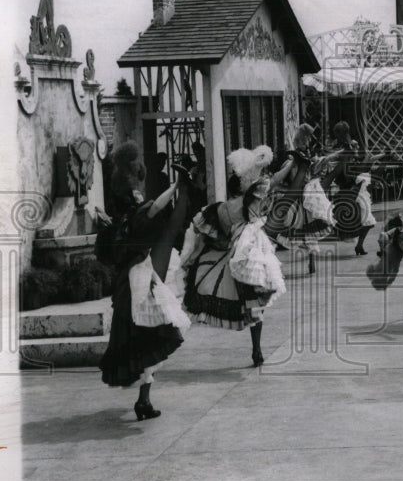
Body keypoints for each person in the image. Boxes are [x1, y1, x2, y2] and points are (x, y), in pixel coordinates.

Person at [98, 142, 195, 421]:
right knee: (152, 335)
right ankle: (144, 401)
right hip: (138, 280)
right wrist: (178, 186)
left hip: (134, 278)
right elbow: (156, 208)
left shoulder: (122, 219)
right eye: (138, 188)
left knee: (147, 339)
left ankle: (145, 400)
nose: (141, 192)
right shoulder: (136, 215)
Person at [180, 146, 287, 367]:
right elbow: (272, 182)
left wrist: (195, 259)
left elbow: (213, 237)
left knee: (246, 301)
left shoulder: (221, 209)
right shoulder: (252, 200)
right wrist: (287, 164)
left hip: (232, 256)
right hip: (251, 254)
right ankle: (257, 349)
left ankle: (256, 349)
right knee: (256, 303)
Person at [264, 124, 331, 275]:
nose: (307, 145)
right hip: (297, 198)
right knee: (299, 229)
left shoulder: (309, 160)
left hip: (304, 197)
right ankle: (305, 259)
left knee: (306, 230)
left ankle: (310, 259)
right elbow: (288, 179)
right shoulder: (291, 162)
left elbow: (313, 174)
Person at [321, 121, 376, 256]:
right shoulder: (345, 147)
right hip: (350, 185)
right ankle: (359, 245)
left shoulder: (346, 146)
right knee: (363, 217)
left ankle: (359, 245)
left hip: (352, 184)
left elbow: (348, 164)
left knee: (365, 218)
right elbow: (346, 166)